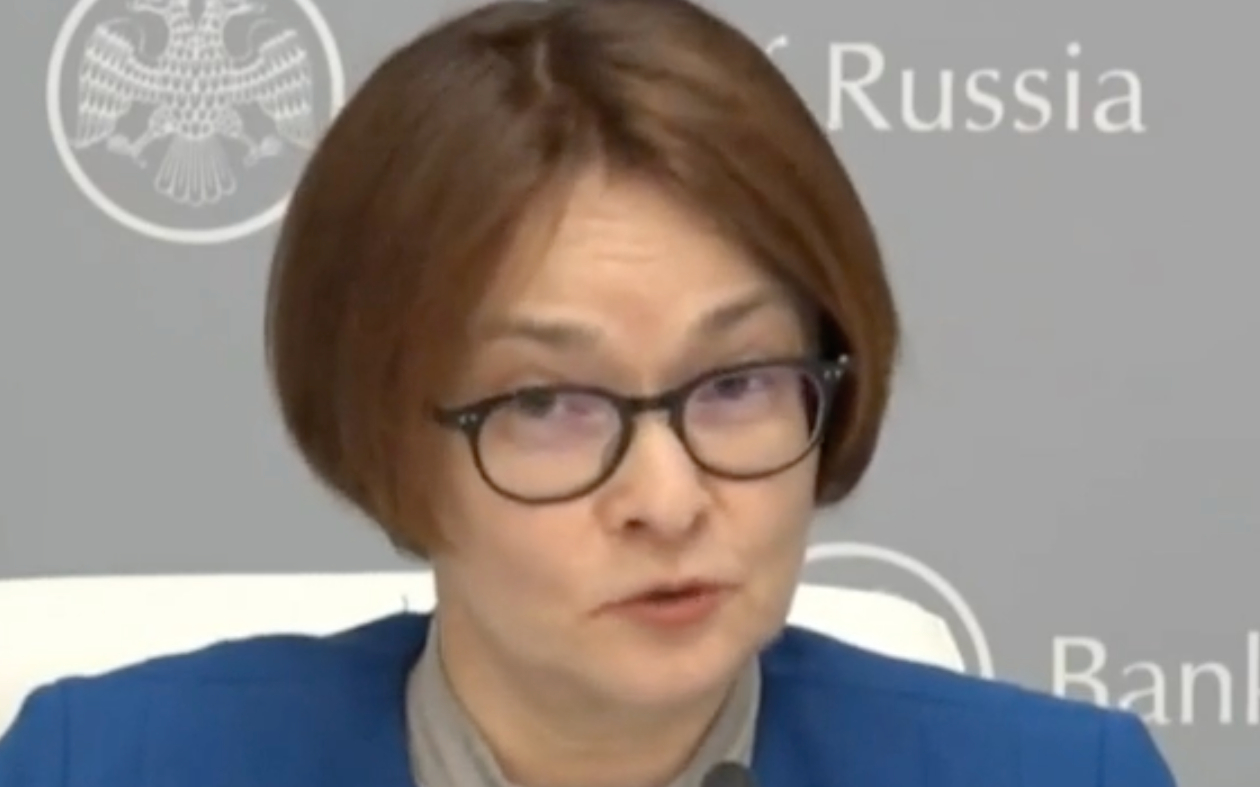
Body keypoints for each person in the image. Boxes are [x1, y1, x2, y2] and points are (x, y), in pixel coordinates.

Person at [0, 0, 1176, 785]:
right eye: (548, 404)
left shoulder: (1064, 778)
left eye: (737, 382)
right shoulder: (99, 765)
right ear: (385, 435)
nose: (668, 499)